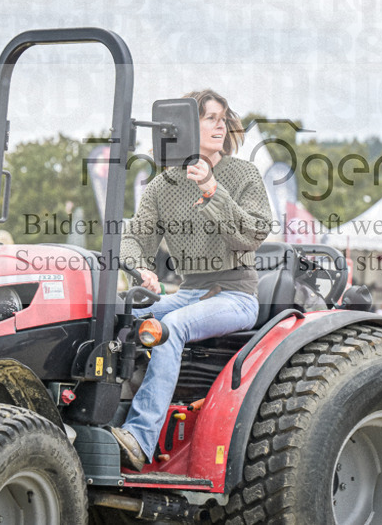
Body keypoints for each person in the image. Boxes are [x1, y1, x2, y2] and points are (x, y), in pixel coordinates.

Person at [110, 90, 273, 471]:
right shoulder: (164, 185)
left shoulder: (242, 175)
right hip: (190, 291)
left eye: (223, 118)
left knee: (170, 328)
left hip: (236, 295)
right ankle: (100, 418)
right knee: (121, 315)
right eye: (210, 118)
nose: (220, 125)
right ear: (185, 126)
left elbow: (252, 234)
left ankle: (139, 438)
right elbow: (133, 238)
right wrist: (141, 269)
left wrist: (212, 190)